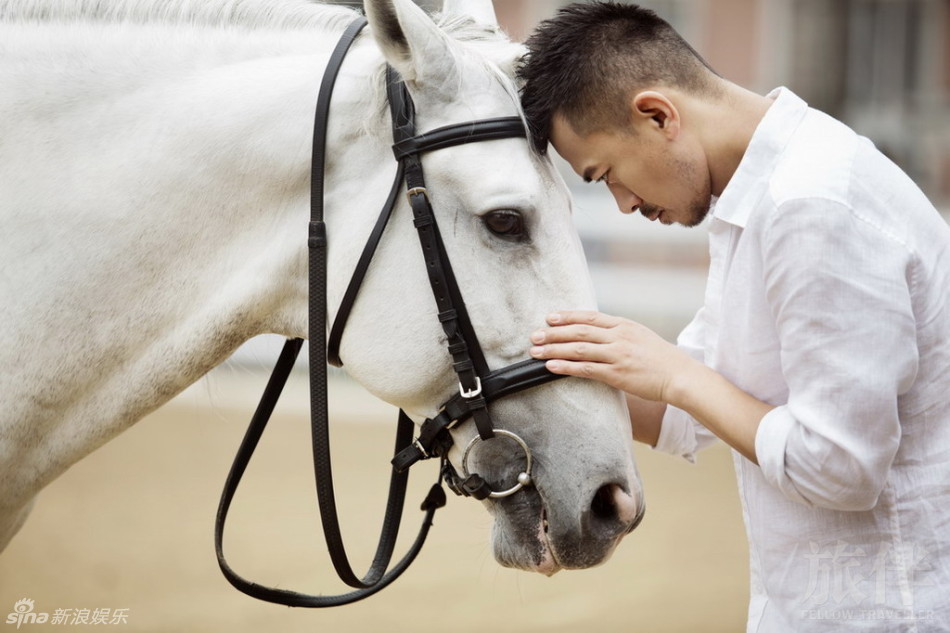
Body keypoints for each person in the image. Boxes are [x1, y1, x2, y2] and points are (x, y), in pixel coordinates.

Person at [517, 3, 950, 631]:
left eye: (607, 174)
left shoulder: (813, 204)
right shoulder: (761, 192)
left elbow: (841, 468)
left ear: (658, 114)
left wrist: (675, 375)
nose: (624, 203)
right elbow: (704, 407)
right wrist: (532, 377)